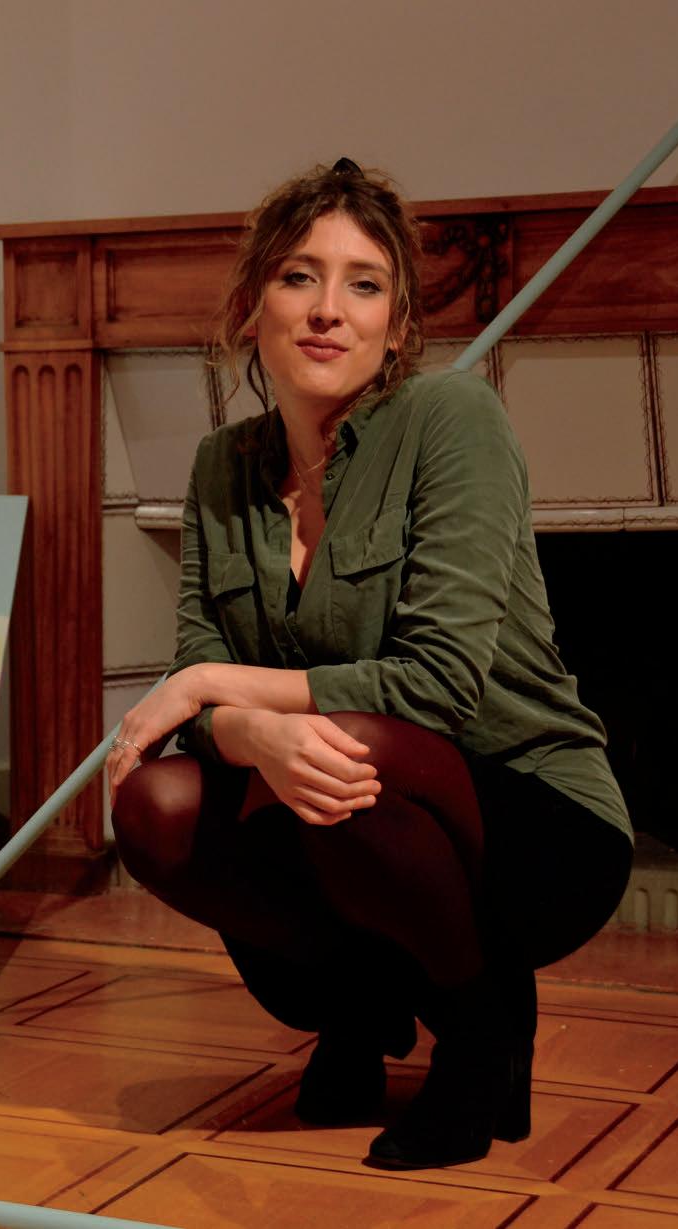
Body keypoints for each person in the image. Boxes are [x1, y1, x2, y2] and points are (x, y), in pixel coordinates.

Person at [104, 159, 634, 1171]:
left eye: (364, 284)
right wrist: (240, 723)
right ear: (251, 305)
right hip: (348, 803)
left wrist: (210, 691)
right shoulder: (222, 466)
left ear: (396, 328)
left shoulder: (452, 419)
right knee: (154, 807)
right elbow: (201, 667)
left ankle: (479, 1027)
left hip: (530, 817)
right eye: (298, 276)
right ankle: (357, 1006)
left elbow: (436, 683)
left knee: (339, 752)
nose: (326, 309)